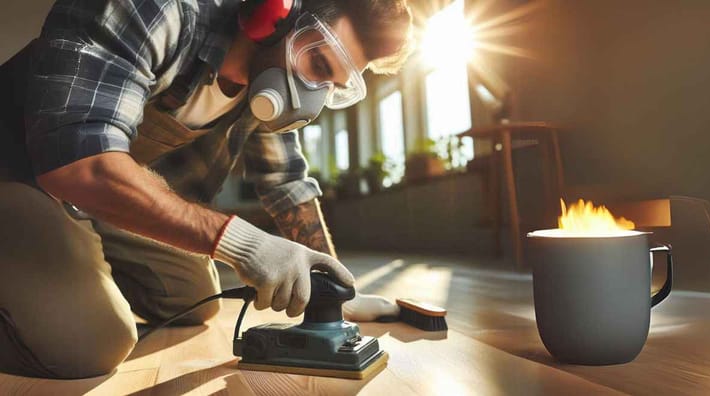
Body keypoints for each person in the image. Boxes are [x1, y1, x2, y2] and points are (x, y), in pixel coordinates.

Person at [0, 0, 413, 379]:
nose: (312, 96)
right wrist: (246, 244)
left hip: (86, 198)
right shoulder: (157, 10)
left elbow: (286, 182)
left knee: (192, 296)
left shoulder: (266, 83)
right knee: (91, 342)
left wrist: (337, 289)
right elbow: (80, 160)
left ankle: (60, 269)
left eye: (332, 86)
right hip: (22, 169)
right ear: (274, 14)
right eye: (318, 63)